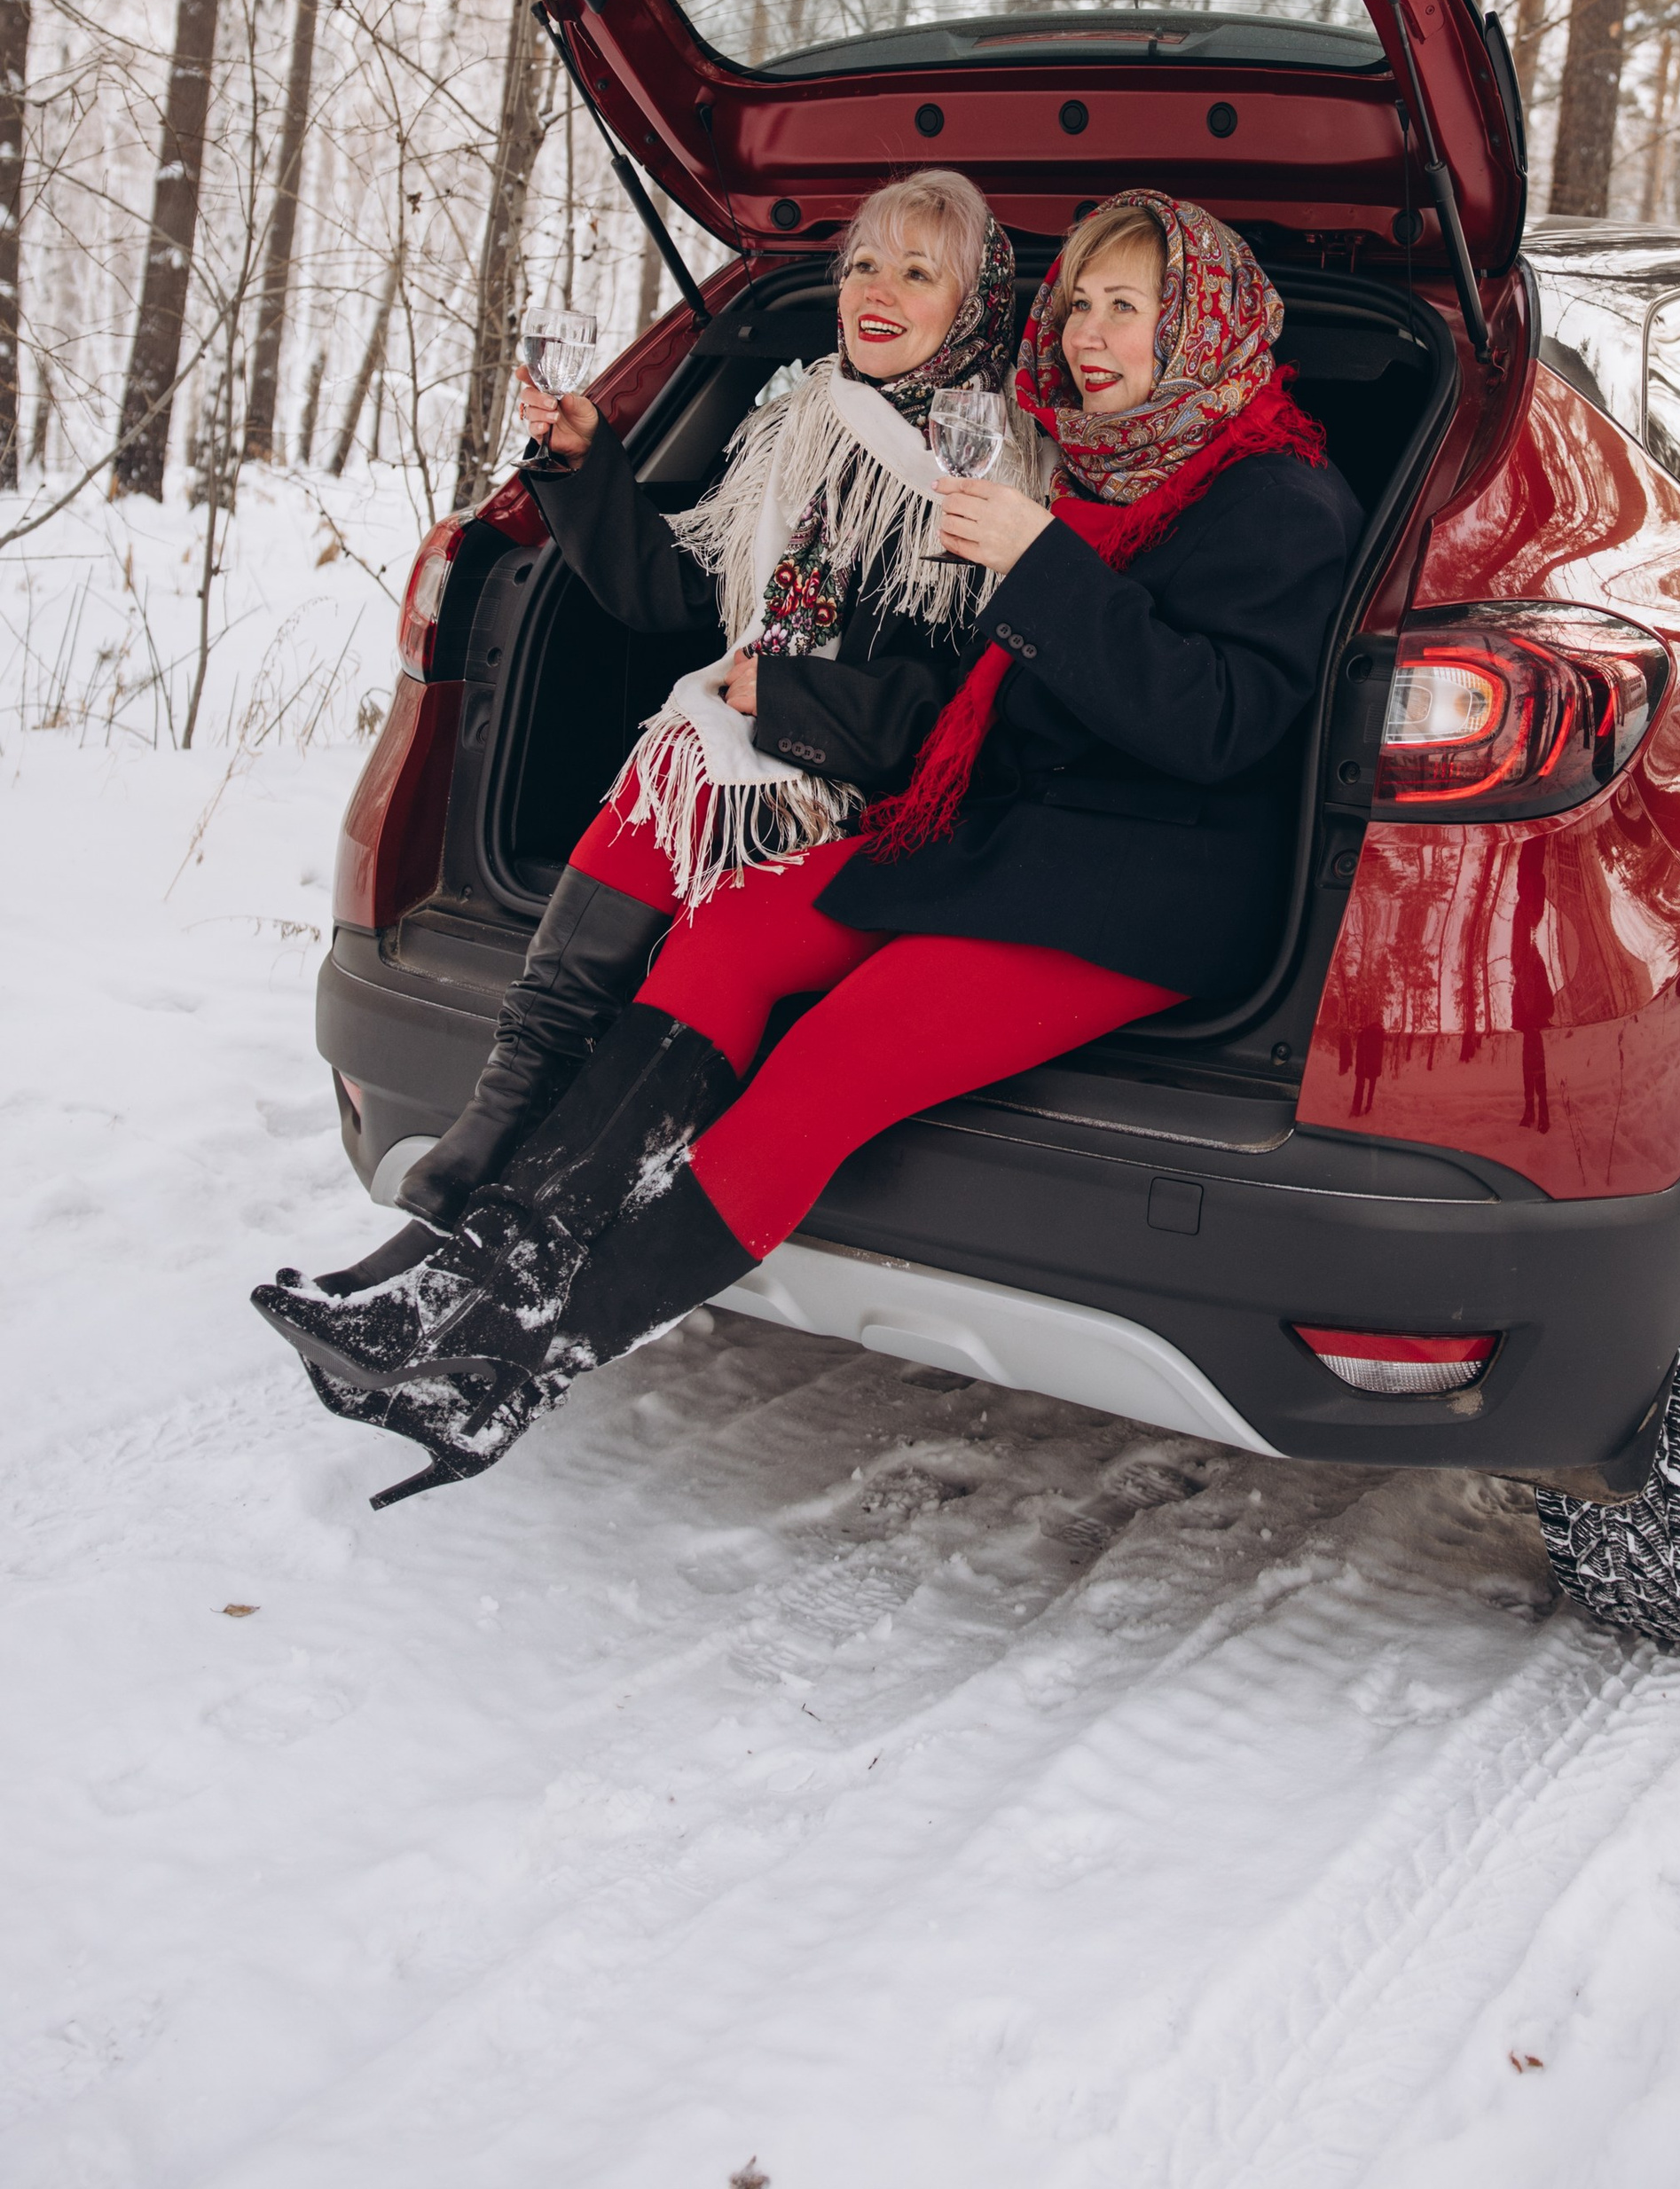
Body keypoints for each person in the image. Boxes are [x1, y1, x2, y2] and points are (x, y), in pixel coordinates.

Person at [254, 191, 1361, 1508]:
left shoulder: (1281, 498)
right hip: (1000, 838)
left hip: (1141, 891)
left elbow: (1220, 726)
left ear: (1204, 322)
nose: (1090, 337)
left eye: (1131, 307)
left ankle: (512, 1363)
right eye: (1079, 305)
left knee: (830, 1056)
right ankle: (483, 1263)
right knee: (733, 928)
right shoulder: (1088, 464)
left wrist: (1042, 568)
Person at [337, 164, 1040, 1259]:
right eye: (862, 262)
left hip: (883, 804)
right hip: (757, 750)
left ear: (977, 304)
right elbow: (676, 589)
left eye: (917, 271)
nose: (878, 288)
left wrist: (788, 693)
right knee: (688, 741)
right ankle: (488, 1148)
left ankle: (492, 1154)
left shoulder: (993, 473)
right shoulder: (806, 422)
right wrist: (581, 466)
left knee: (691, 748)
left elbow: (961, 714)